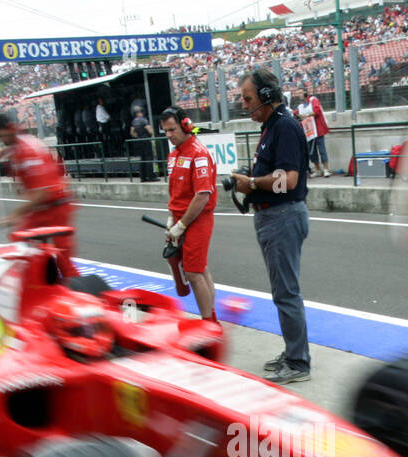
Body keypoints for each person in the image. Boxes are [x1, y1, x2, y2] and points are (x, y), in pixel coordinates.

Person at [231, 68, 312, 384]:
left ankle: (298, 362)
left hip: (282, 216)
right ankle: (294, 351)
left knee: (286, 292)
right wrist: (251, 183)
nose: (244, 104)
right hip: (273, 216)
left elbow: (289, 180)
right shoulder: (272, 127)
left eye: (248, 98)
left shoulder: (285, 127)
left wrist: (251, 183)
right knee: (283, 291)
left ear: (266, 96)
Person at [0, 110, 75, 268]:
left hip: (56, 207)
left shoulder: (30, 151)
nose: (1, 140)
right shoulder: (17, 141)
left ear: (11, 128)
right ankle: (40, 276)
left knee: (63, 258)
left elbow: (42, 193)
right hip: (41, 207)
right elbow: (9, 147)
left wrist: (14, 215)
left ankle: (66, 283)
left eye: (3, 136)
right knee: (20, 239)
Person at [160, 107, 218, 320]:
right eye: (165, 131)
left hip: (198, 219)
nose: (168, 135)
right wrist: (171, 219)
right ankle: (210, 317)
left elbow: (202, 196)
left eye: (172, 129)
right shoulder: (173, 155)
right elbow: (174, 191)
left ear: (186, 125)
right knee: (200, 269)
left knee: (193, 272)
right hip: (178, 219)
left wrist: (181, 225)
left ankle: (209, 322)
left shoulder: (199, 153)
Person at [299, 88, 331, 177]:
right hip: (309, 132)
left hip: (318, 130)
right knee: (312, 152)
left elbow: (317, 110)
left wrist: (306, 115)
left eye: (300, 93)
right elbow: (297, 113)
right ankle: (318, 169)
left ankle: (326, 169)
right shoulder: (301, 106)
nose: (299, 95)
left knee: (322, 150)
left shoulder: (314, 100)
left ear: (305, 93)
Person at [130, 104, 155, 182]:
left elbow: (132, 132)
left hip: (139, 141)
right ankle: (151, 177)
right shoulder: (143, 119)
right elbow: (149, 130)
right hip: (146, 140)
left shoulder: (134, 121)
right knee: (149, 158)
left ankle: (143, 177)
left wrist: (137, 136)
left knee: (142, 159)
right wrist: (150, 135)